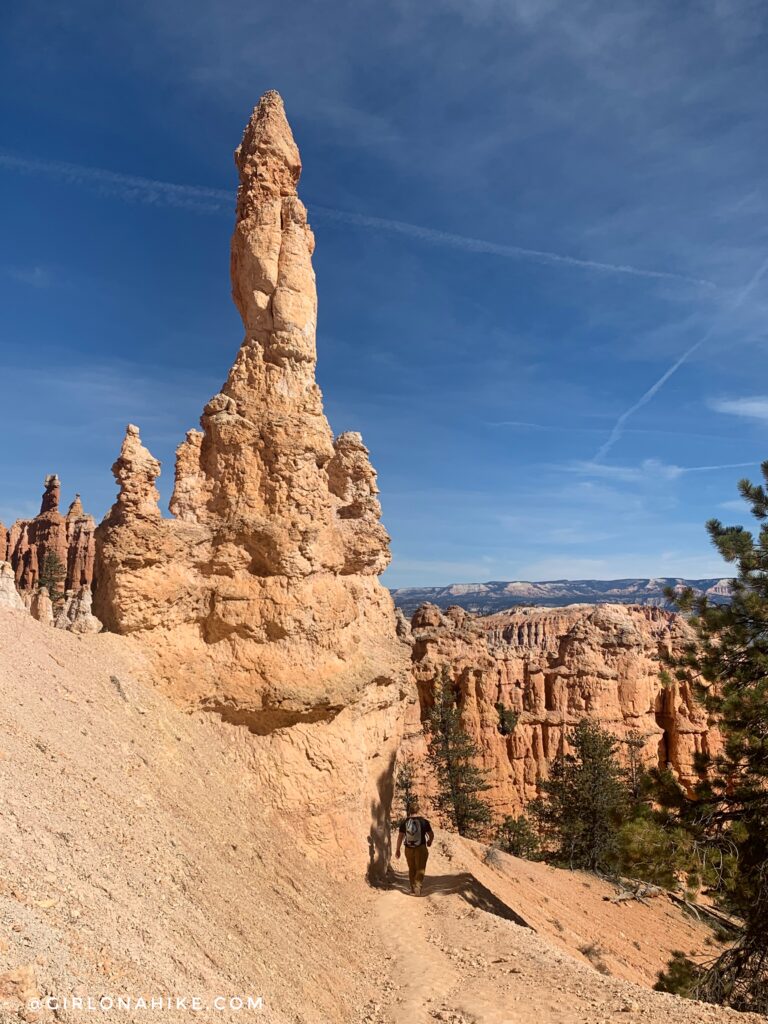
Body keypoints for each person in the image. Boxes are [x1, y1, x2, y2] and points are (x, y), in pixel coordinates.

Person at [395, 798, 434, 896]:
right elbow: (431, 834)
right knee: (420, 868)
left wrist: (398, 849)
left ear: (409, 811)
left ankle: (412, 887)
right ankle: (417, 885)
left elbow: (400, 837)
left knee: (411, 868)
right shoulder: (424, 822)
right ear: (418, 810)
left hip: (408, 848)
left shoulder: (404, 822)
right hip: (420, 847)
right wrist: (429, 841)